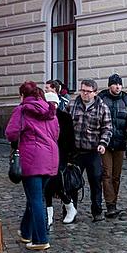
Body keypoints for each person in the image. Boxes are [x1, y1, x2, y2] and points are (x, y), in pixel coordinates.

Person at [6, 81, 60, 251]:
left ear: (23, 95)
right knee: (35, 196)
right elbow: (56, 133)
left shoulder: (21, 110)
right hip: (50, 157)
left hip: (32, 157)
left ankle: (41, 239)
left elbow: (11, 133)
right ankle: (26, 231)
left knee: (36, 199)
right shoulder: (50, 110)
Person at [69, 78, 112, 222]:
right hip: (75, 151)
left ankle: (97, 211)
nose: (85, 94)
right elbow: (65, 126)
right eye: (83, 91)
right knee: (72, 183)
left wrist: (103, 143)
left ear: (95, 92)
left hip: (93, 151)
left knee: (95, 182)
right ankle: (70, 210)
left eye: (88, 92)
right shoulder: (72, 104)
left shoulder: (102, 107)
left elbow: (107, 128)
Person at [98, 73, 127, 218]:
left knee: (116, 175)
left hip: (120, 142)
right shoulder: (101, 99)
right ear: (110, 85)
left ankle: (113, 201)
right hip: (105, 143)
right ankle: (110, 205)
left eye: (120, 84)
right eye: (115, 84)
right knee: (106, 174)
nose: (118, 87)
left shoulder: (126, 100)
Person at [43, 91, 77, 225]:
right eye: (48, 103)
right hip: (45, 154)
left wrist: (70, 158)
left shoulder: (65, 117)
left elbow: (70, 139)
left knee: (55, 180)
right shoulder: (42, 117)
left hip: (61, 155)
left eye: (54, 103)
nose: (51, 106)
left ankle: (69, 204)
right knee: (47, 183)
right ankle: (49, 212)